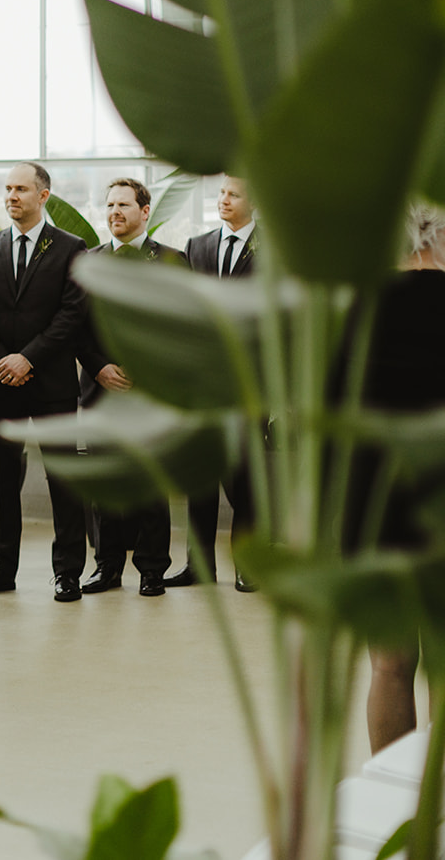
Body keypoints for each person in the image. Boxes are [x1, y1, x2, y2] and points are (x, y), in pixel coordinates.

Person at [346, 203, 445, 751]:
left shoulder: (357, 309)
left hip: (374, 504)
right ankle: (443, 801)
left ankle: (390, 804)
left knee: (388, 665)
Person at [0, 162, 89, 602]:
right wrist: (2, 360)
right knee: (0, 479)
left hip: (50, 380)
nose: (12, 196)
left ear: (44, 196)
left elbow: (72, 315)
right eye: (7, 189)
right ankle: (1, 567)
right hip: (0, 381)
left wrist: (27, 358)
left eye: (21, 189)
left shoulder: (72, 248)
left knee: (64, 477)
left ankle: (68, 571)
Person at [75, 178, 179, 597]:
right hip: (102, 389)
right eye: (110, 204)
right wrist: (99, 368)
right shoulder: (88, 262)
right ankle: (107, 566)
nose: (115, 211)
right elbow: (75, 327)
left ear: (145, 211)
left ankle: (153, 568)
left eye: (123, 204)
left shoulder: (173, 260)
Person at [167, 174, 260, 590]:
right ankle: (198, 565)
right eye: (221, 193)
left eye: (233, 195)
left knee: (246, 478)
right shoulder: (197, 246)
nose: (223, 200)